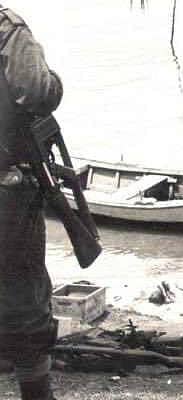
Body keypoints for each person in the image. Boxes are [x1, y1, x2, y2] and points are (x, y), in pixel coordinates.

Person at [0, 5, 64, 400]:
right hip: (7, 191)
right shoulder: (7, 30)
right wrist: (55, 82)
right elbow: (37, 92)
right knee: (24, 291)